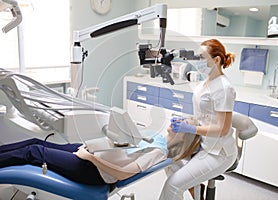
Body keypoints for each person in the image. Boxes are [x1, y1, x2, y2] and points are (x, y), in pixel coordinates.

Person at [159, 39, 238, 200]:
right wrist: (186, 121)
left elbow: (222, 129)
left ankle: (190, 189)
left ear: (216, 60)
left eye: (202, 57)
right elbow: (204, 115)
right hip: (202, 142)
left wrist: (191, 129)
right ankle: (197, 192)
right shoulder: (204, 83)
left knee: (172, 185)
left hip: (218, 152)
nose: (197, 61)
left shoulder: (224, 88)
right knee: (167, 157)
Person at [0, 128, 200, 186]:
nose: (176, 122)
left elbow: (123, 174)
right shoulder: (158, 139)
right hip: (94, 153)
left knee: (33, 152)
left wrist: (90, 158)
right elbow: (127, 150)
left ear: (183, 137)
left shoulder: (158, 152)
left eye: (182, 124)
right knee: (36, 142)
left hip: (93, 170)